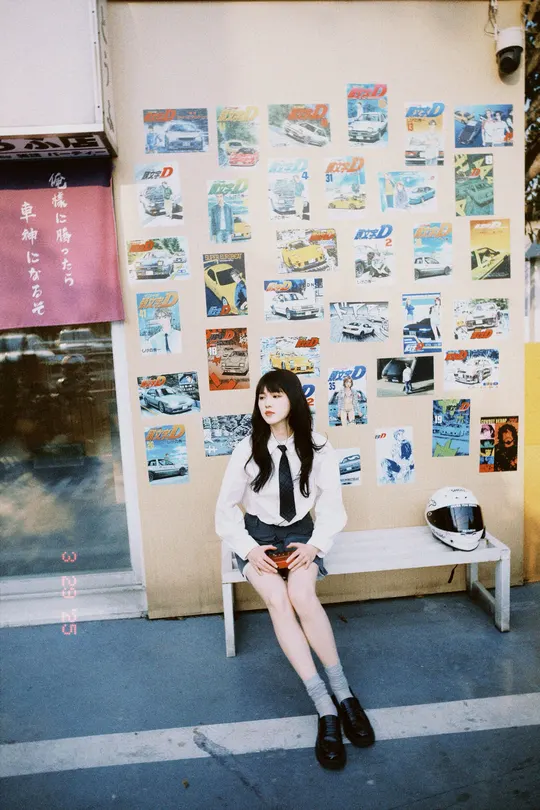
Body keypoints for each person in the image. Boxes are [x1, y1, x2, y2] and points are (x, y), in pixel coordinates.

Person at [215, 369, 375, 770]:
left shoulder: (318, 446)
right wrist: (249, 550)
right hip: (258, 538)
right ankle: (325, 707)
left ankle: (344, 694)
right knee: (277, 599)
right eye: (262, 397)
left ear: (294, 400)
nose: (267, 404)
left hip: (302, 534)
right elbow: (224, 509)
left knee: (301, 594)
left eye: (276, 396)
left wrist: (316, 544)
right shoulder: (246, 448)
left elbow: (333, 506)